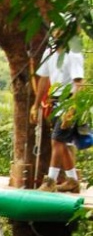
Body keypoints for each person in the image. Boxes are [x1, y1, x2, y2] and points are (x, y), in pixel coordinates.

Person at [31, 34, 85, 193]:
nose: (56, 33)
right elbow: (43, 79)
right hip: (54, 101)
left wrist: (72, 109)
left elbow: (79, 83)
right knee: (61, 143)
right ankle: (72, 181)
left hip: (69, 101)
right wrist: (36, 105)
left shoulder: (73, 53)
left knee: (56, 141)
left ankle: (50, 181)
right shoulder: (49, 52)